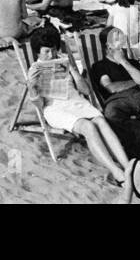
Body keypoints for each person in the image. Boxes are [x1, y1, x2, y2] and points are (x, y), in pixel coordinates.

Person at [25, 27, 130, 184]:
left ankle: (128, 166)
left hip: (76, 102)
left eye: (53, 50)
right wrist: (32, 88)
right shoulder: (34, 70)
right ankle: (116, 171)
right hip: (55, 109)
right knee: (88, 127)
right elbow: (40, 106)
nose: (51, 55)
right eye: (46, 52)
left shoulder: (64, 61)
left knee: (101, 121)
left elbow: (86, 91)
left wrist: (74, 72)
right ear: (37, 53)